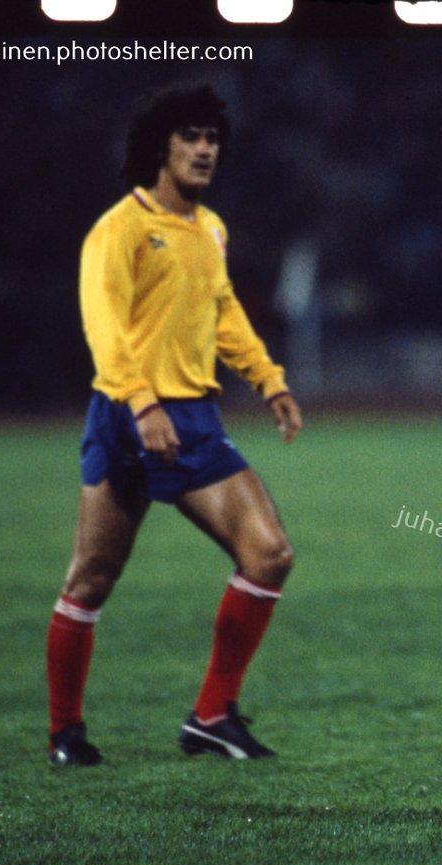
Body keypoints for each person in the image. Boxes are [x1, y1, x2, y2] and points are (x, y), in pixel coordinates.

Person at [44, 84, 302, 766]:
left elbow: (222, 311)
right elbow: (103, 325)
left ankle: (212, 715)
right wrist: (141, 402)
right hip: (127, 416)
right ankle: (65, 734)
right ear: (160, 146)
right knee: (90, 579)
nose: (205, 148)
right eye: (191, 136)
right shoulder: (119, 228)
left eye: (213, 138)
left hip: (190, 419)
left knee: (269, 553)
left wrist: (269, 379)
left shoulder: (209, 228)